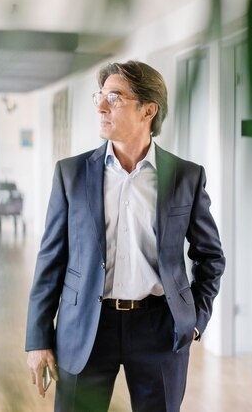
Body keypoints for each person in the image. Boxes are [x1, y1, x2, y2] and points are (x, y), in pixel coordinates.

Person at [25, 60, 225, 412]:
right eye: (100, 97)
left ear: (148, 109)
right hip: (86, 325)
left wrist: (195, 321)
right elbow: (50, 261)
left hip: (158, 327)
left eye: (114, 98)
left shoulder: (186, 177)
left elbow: (210, 257)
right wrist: (38, 338)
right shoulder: (71, 174)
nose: (101, 107)